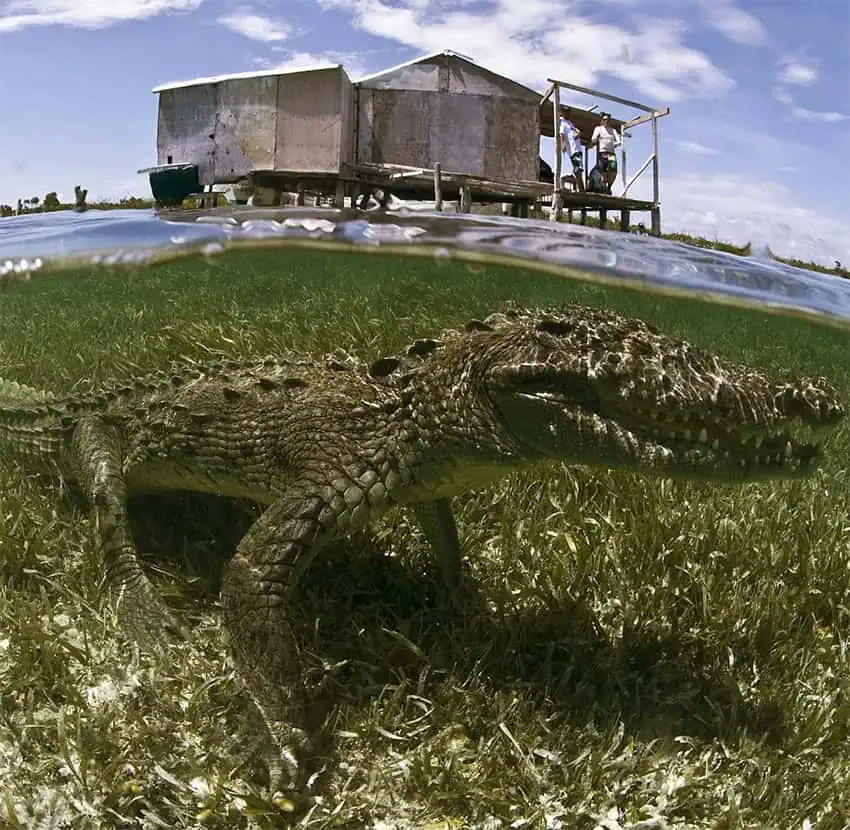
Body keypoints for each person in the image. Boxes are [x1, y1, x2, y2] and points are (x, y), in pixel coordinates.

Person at [590, 113, 621, 193]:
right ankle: (603, 189)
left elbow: (619, 141)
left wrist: (613, 145)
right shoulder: (598, 128)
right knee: (603, 173)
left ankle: (609, 187)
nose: (606, 121)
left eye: (607, 120)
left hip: (611, 154)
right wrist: (596, 138)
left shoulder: (613, 130)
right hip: (603, 153)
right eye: (604, 119)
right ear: (602, 121)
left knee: (613, 172)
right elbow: (593, 139)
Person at [559, 116, 584, 190]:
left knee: (577, 171)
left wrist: (577, 133)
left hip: (577, 151)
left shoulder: (570, 126)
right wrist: (563, 144)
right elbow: (562, 134)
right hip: (575, 151)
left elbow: (578, 134)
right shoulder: (564, 124)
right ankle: (581, 190)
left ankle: (580, 190)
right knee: (578, 171)